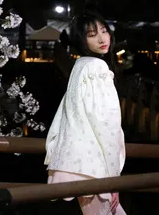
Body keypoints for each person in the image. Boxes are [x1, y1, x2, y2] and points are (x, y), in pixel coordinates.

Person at [45, 11, 126, 215]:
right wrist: (113, 178)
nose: (102, 38)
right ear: (82, 39)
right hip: (96, 170)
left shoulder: (80, 66)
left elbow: (63, 116)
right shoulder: (97, 67)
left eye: (104, 31)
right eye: (92, 34)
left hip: (76, 163)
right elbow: (106, 124)